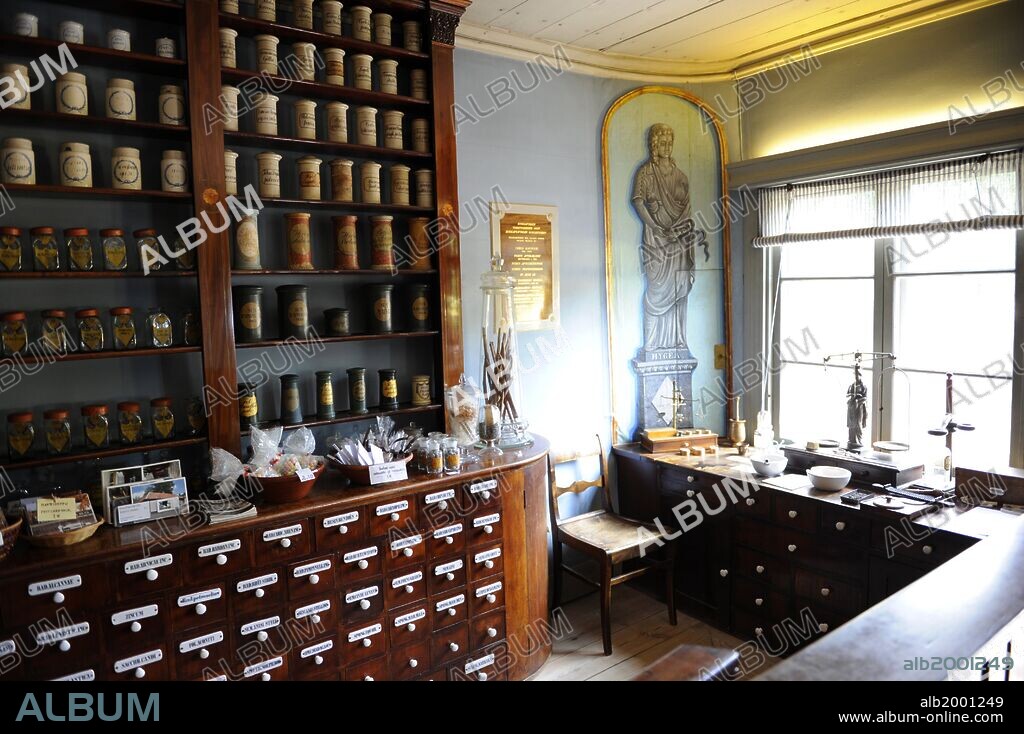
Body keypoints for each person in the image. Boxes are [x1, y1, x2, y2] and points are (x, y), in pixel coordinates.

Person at [631, 123, 708, 350]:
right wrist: (655, 224)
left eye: (669, 143)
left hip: (678, 243)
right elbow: (637, 200)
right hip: (655, 240)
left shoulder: (681, 177)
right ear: (654, 145)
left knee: (679, 288)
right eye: (662, 143)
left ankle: (678, 340)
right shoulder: (645, 173)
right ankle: (652, 344)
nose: (666, 147)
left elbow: (687, 212)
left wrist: (678, 232)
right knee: (655, 290)